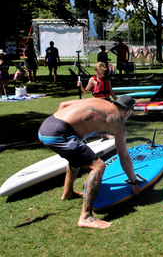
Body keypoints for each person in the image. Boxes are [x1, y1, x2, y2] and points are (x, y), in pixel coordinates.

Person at [38, 96, 140, 229]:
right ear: (127, 112)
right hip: (60, 133)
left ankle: (68, 193)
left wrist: (64, 130)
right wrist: (134, 182)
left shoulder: (100, 101)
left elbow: (63, 104)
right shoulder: (118, 122)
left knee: (76, 156)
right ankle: (85, 217)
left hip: (47, 125)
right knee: (98, 166)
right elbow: (124, 158)